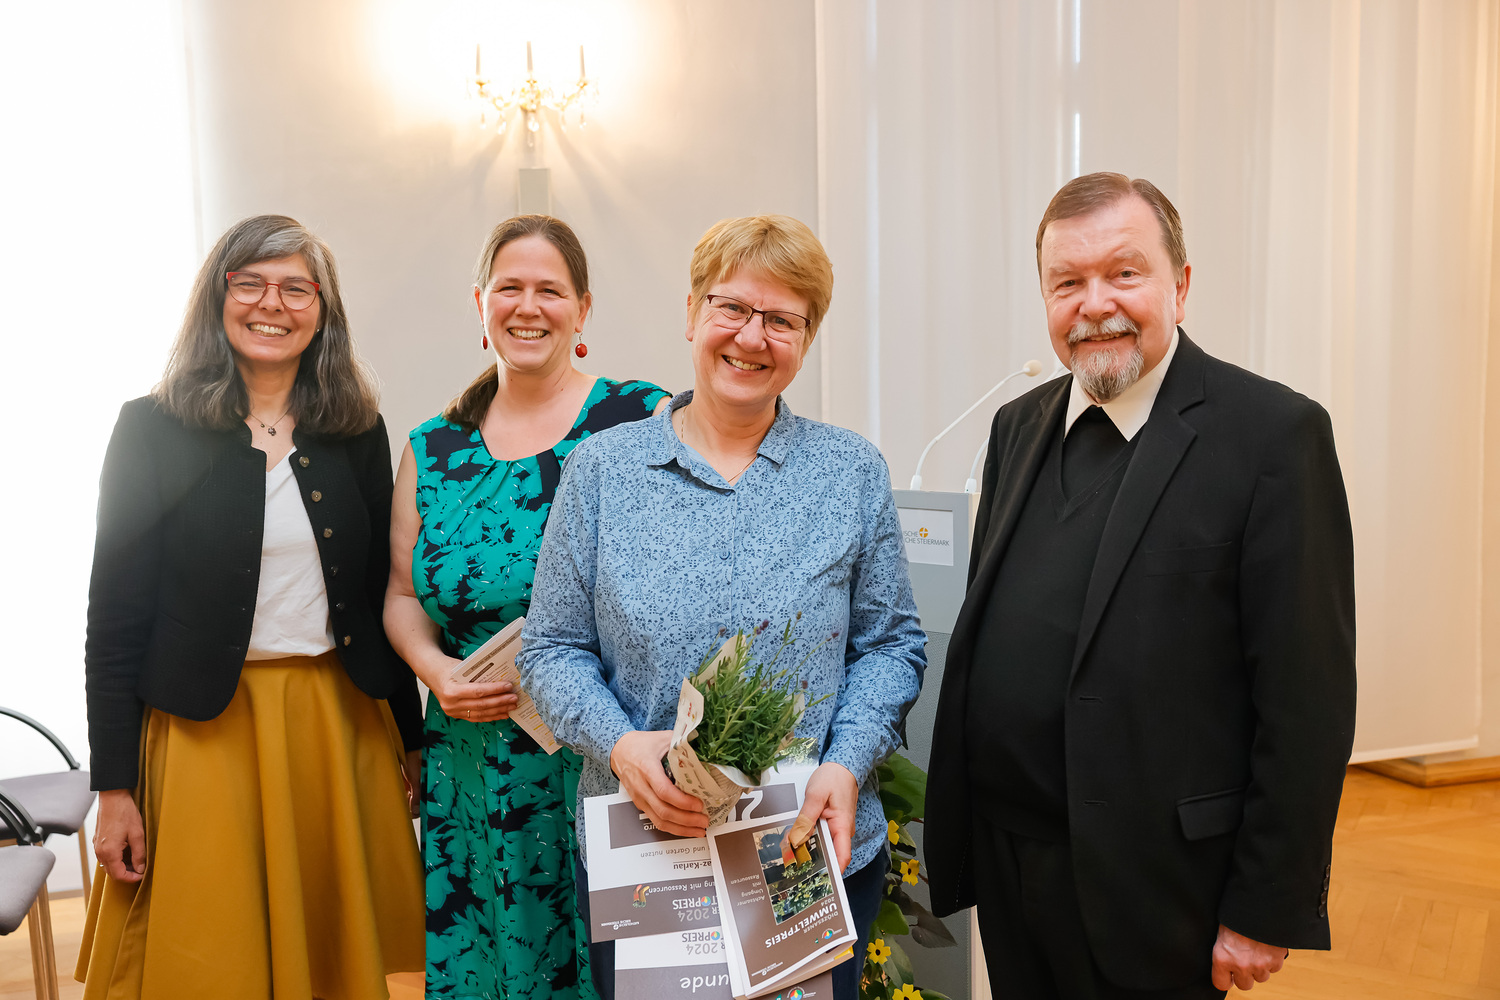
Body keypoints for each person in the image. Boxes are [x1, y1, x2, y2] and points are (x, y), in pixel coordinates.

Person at [925, 173, 1357, 999]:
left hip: (1159, 885)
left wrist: (1267, 904)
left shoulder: (1272, 436)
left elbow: (1308, 699)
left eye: (1124, 273)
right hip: (1010, 859)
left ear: (1181, 286)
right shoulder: (1016, 427)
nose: (1095, 305)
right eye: (1068, 282)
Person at [518, 214, 927, 1000]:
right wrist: (619, 745)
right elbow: (552, 649)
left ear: (807, 338)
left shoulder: (849, 471)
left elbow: (889, 646)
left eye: (781, 319)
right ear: (692, 313)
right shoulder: (603, 470)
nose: (751, 336)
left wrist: (845, 762)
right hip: (649, 852)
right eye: (732, 307)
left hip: (801, 849)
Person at [77, 215, 424, 998]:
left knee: (333, 961)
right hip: (204, 735)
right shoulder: (149, 429)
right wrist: (114, 788)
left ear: (323, 311)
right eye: (252, 283)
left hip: (335, 723)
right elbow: (115, 620)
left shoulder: (356, 429)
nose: (273, 304)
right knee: (210, 957)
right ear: (219, 295)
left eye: (297, 288)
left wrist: (411, 740)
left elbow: (384, 594)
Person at [384, 214, 670, 1000]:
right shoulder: (433, 447)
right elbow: (403, 594)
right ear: (481, 304)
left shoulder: (639, 418)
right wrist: (435, 671)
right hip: (474, 758)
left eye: (550, 289)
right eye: (509, 287)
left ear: (583, 309)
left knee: (617, 964)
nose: (528, 306)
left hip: (605, 749)